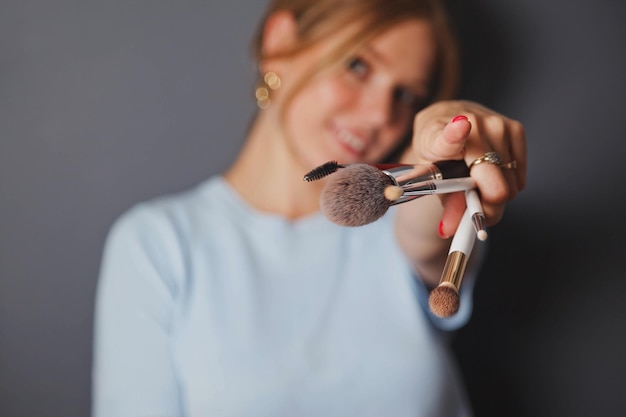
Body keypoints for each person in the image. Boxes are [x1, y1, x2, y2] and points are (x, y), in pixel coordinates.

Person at [92, 0, 527, 416]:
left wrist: (449, 130)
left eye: (407, 96)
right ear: (279, 42)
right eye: (358, 65)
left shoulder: (397, 219)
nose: (379, 114)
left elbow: (425, 219)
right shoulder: (159, 243)